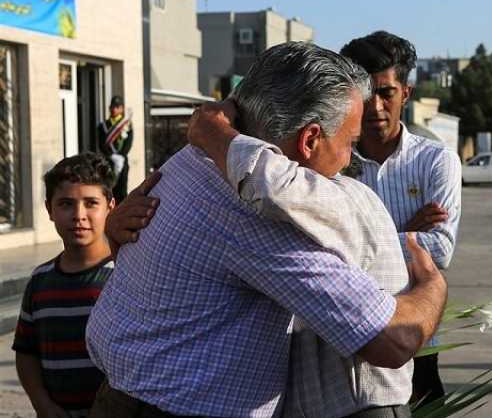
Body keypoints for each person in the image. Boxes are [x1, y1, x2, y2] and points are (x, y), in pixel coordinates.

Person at [86, 42, 447, 417]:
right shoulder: (258, 217)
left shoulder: (190, 159)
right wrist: (432, 290)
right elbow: (390, 341)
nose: (349, 161)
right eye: (349, 144)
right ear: (309, 140)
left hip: (116, 396)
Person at [341, 31, 462, 402]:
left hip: (414, 329)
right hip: (342, 327)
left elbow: (439, 250)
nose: (375, 106)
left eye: (386, 93)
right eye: (366, 93)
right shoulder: (332, 161)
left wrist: (352, 240)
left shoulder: (435, 162)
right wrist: (407, 231)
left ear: (405, 93)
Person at [12, 152, 116, 418]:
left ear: (110, 206)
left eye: (91, 203)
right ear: (49, 210)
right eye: (66, 204)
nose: (78, 215)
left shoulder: (124, 276)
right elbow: (26, 353)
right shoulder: (40, 280)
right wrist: (42, 405)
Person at [98, 95, 133, 204]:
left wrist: (121, 155)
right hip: (108, 161)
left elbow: (128, 142)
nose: (114, 109)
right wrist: (111, 156)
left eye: (117, 107)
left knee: (122, 190)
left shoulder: (126, 125)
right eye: (112, 107)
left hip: (122, 161)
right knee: (109, 188)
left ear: (122, 109)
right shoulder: (103, 126)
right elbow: (101, 143)